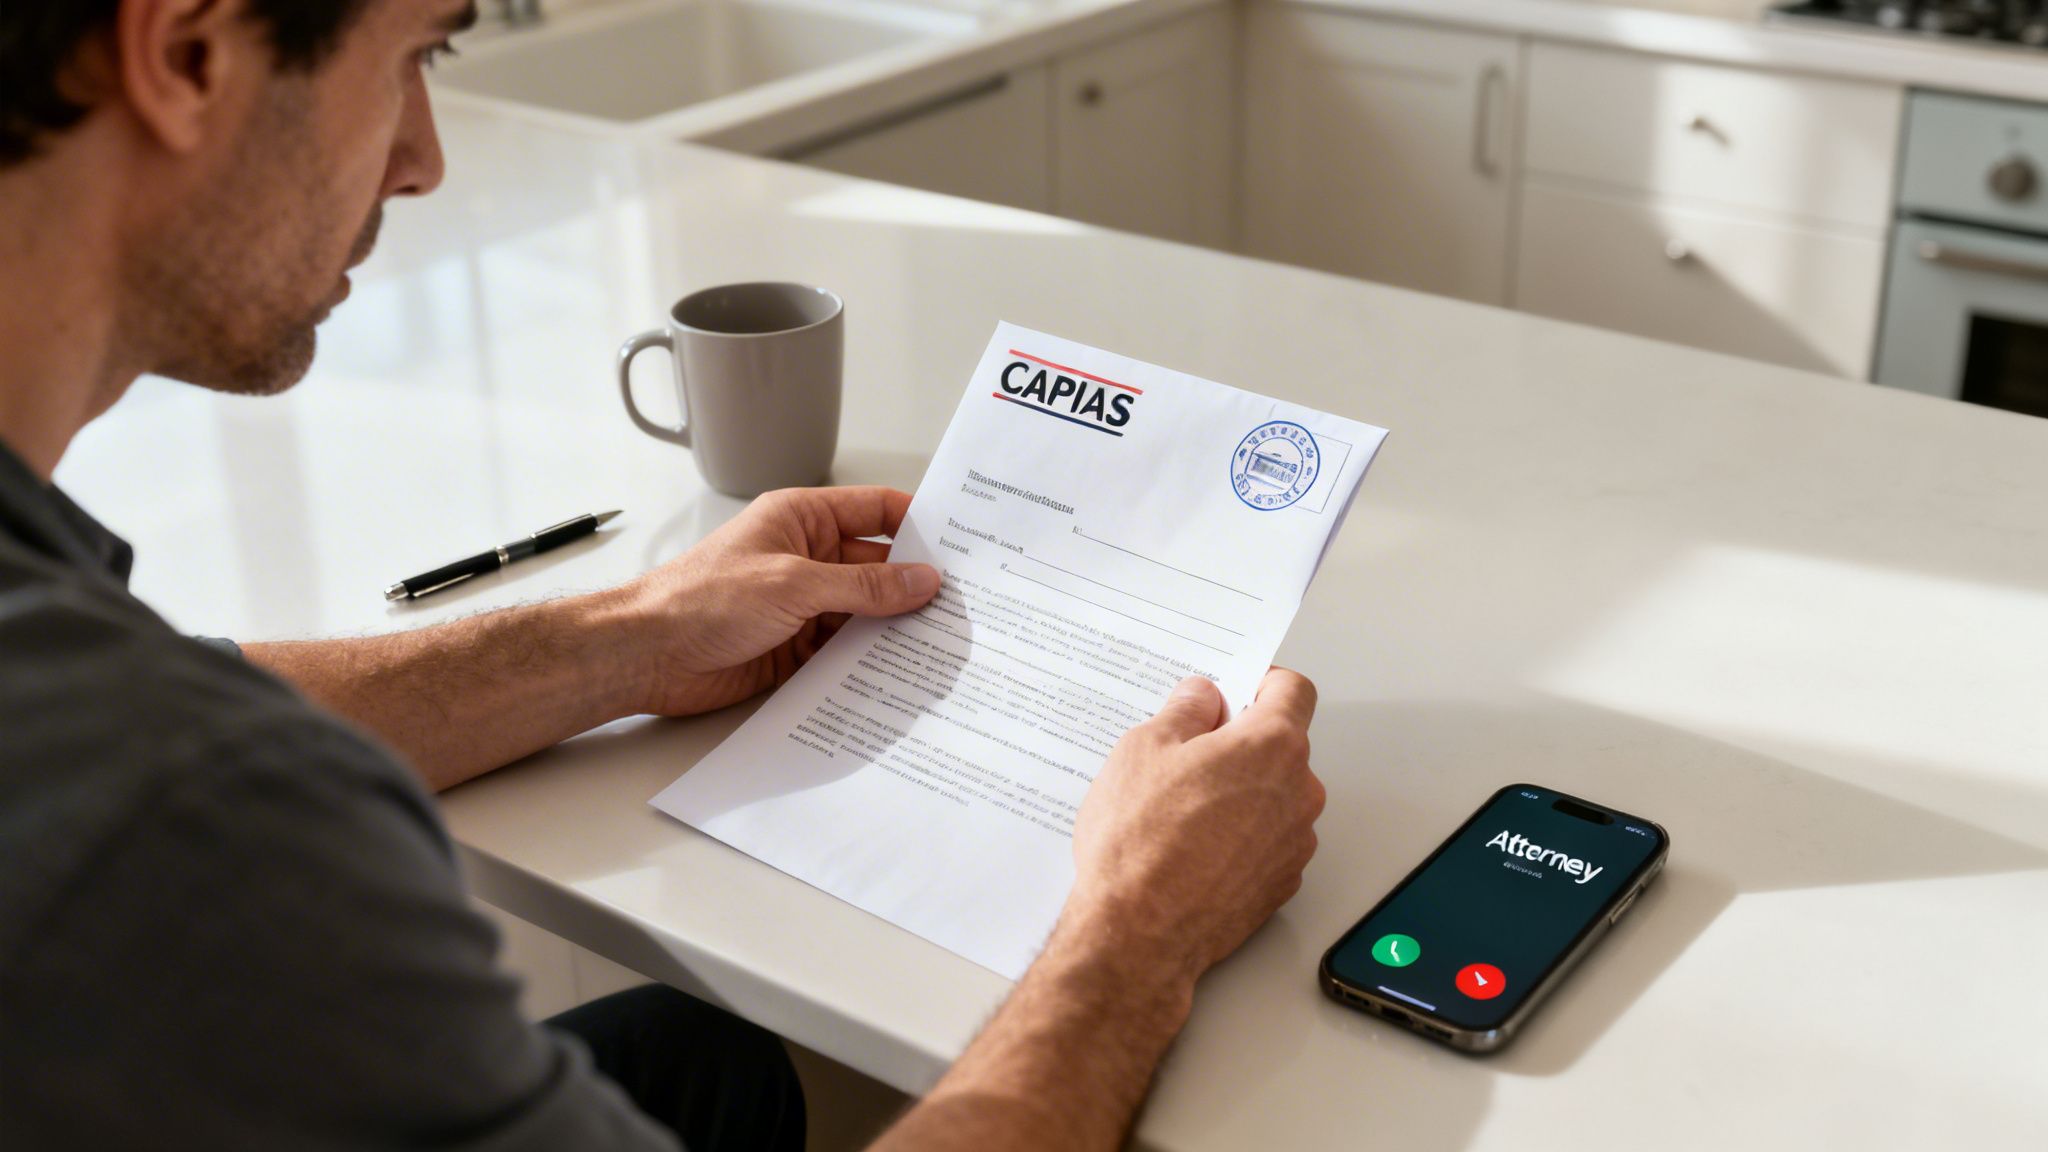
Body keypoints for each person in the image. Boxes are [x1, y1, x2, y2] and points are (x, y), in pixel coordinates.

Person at [0, 1, 1325, 1149]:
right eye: (413, 54)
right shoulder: (178, 816)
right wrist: (1141, 931)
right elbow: (174, 767)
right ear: (186, 53)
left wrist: (635, 634)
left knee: (706, 1060)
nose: (424, 159)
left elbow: (176, 696)